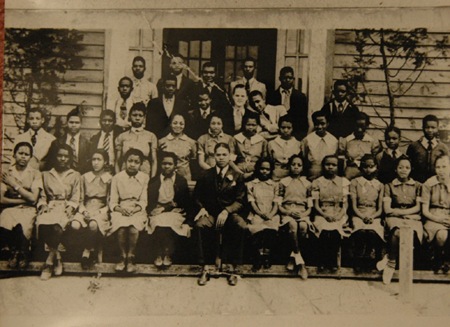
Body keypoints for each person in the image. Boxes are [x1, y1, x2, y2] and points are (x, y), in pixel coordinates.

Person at [194, 143, 247, 286]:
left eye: (224, 154)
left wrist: (227, 210)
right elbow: (197, 197)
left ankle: (232, 268)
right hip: (211, 213)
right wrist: (202, 208)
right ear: (213, 156)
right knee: (201, 224)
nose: (221, 158)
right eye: (218, 155)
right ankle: (205, 267)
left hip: (229, 214)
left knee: (240, 225)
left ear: (229, 156)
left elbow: (240, 201)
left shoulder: (237, 175)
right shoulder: (206, 175)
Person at [36, 144, 81, 280]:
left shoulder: (75, 175)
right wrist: (42, 205)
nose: (62, 159)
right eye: (60, 155)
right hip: (51, 205)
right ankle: (58, 257)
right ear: (55, 157)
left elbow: (76, 196)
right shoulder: (46, 174)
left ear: (70, 158)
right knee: (42, 223)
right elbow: (43, 196)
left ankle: (49, 261)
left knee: (57, 226)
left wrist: (71, 206)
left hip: (65, 207)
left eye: (66, 156)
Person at [376, 155, 422, 284]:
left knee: (410, 233)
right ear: (395, 169)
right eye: (400, 167)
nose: (403, 170)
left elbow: (418, 207)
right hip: (394, 217)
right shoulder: (389, 186)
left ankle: (396, 261)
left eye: (407, 167)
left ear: (411, 169)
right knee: (397, 231)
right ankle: (391, 262)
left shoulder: (418, 185)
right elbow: (388, 209)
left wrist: (406, 213)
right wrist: (402, 213)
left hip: (412, 217)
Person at [0, 142, 42, 269]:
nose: (23, 157)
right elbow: (2, 199)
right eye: (20, 153)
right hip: (11, 208)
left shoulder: (35, 173)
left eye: (26, 154)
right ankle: (14, 252)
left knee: (25, 223)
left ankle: (23, 253)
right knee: (6, 217)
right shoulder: (6, 173)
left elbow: (33, 198)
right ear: (14, 155)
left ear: (30, 157)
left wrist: (13, 184)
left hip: (28, 210)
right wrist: (24, 200)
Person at [147, 152, 192, 268]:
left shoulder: (181, 181)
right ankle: (158, 253)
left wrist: (168, 207)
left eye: (170, 164)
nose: (166, 166)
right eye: (164, 164)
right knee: (158, 221)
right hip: (157, 211)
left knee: (170, 221)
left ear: (175, 165)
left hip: (175, 211)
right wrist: (156, 209)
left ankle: (167, 253)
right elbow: (150, 202)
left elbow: (184, 202)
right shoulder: (154, 181)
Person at [108, 148, 149, 273]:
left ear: (141, 164)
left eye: (136, 162)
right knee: (121, 227)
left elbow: (144, 200)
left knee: (133, 228)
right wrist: (120, 209)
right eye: (130, 161)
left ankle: (130, 257)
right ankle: (122, 256)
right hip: (121, 208)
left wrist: (135, 209)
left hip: (137, 209)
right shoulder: (117, 178)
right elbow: (113, 201)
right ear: (125, 162)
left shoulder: (144, 178)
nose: (132, 164)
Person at [71, 150, 112, 269]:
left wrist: (98, 212)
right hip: (86, 208)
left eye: (99, 160)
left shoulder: (109, 179)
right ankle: (87, 246)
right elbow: (80, 199)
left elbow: (110, 202)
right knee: (75, 225)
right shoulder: (85, 177)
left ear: (105, 162)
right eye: (94, 159)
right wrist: (84, 211)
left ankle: (87, 251)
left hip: (101, 210)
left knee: (93, 224)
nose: (96, 162)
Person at [312, 155, 351, 273]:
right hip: (322, 212)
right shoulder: (317, 182)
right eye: (327, 164)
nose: (330, 167)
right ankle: (322, 260)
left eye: (333, 165)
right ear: (323, 166)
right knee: (323, 230)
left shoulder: (343, 182)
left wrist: (339, 215)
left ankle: (332, 260)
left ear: (337, 167)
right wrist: (325, 215)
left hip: (338, 212)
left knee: (335, 231)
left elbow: (345, 204)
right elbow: (315, 204)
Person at [350, 154, 385, 273]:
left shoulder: (380, 185)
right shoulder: (355, 182)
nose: (368, 169)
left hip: (374, 214)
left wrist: (372, 216)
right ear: (360, 168)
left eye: (371, 166)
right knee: (360, 231)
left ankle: (370, 258)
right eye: (365, 166)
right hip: (359, 213)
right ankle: (358, 258)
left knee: (372, 231)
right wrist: (362, 216)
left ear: (376, 167)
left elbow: (380, 208)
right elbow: (354, 205)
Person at [278, 155, 311, 279]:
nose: (296, 167)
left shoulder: (308, 184)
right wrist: (288, 212)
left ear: (303, 168)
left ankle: (293, 257)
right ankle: (301, 263)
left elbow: (310, 207)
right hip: (287, 212)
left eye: (299, 165)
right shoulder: (283, 182)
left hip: (302, 212)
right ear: (289, 166)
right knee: (292, 225)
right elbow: (279, 205)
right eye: (293, 164)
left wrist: (303, 214)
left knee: (302, 226)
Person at [246, 158, 280, 272]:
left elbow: (276, 203)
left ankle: (267, 256)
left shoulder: (275, 185)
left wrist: (270, 214)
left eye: (267, 169)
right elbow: (252, 202)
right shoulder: (251, 184)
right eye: (262, 169)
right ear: (257, 169)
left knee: (271, 227)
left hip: (271, 213)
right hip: (257, 213)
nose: (264, 171)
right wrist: (260, 213)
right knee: (257, 227)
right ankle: (258, 256)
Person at [421, 154, 450, 273]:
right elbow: (425, 211)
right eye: (438, 167)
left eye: (444, 166)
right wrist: (439, 220)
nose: (441, 170)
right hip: (433, 217)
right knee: (441, 235)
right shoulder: (429, 184)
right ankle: (438, 258)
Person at [115, 102, 158, 177]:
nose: (137, 118)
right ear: (129, 117)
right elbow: (118, 161)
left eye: (140, 115)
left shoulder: (151, 136)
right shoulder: (122, 136)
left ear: (144, 118)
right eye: (134, 115)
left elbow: (154, 161)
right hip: (125, 174)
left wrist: (152, 179)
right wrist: (118, 178)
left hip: (144, 173)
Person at [267, 66, 309, 140]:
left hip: (295, 135)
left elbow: (303, 120)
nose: (287, 80)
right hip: (276, 136)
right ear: (280, 78)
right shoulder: (272, 95)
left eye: (290, 78)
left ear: (293, 79)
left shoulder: (300, 96)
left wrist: (300, 137)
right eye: (285, 78)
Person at [45, 107, 91, 174]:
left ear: (81, 124)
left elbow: (89, 165)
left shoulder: (88, 144)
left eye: (77, 123)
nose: (74, 125)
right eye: (71, 122)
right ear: (67, 123)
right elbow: (50, 163)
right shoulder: (57, 143)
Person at [407, 115, 449, 183]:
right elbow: (408, 165)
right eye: (427, 127)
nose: (430, 130)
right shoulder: (413, 146)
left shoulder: (443, 148)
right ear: (422, 128)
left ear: (437, 128)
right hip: (418, 183)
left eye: (433, 127)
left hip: (437, 184)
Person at [338, 112, 380, 180]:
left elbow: (375, 159)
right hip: (350, 172)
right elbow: (341, 158)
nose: (359, 129)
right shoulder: (346, 140)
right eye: (357, 126)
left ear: (367, 126)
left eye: (362, 126)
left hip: (367, 173)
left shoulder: (372, 141)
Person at [300, 111, 338, 181]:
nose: (319, 127)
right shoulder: (307, 140)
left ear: (328, 123)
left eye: (322, 124)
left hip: (328, 176)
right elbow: (304, 158)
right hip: (312, 175)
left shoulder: (333, 140)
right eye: (316, 124)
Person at [159, 114, 197, 181]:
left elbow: (194, 161)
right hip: (166, 177)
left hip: (185, 178)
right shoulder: (162, 141)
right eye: (175, 123)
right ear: (170, 124)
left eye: (181, 124)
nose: (178, 126)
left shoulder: (191, 142)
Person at [234, 113, 268, 180]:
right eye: (248, 125)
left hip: (256, 172)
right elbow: (230, 159)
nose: (251, 127)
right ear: (244, 124)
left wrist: (255, 172)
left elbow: (264, 160)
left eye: (253, 125)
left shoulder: (262, 141)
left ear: (257, 125)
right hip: (238, 171)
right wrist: (239, 172)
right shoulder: (235, 139)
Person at [268, 116, 301, 181]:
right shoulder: (272, 143)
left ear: (293, 128)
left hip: (292, 176)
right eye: (283, 128)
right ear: (279, 128)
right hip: (276, 175)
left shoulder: (298, 144)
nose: (286, 130)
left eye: (289, 128)